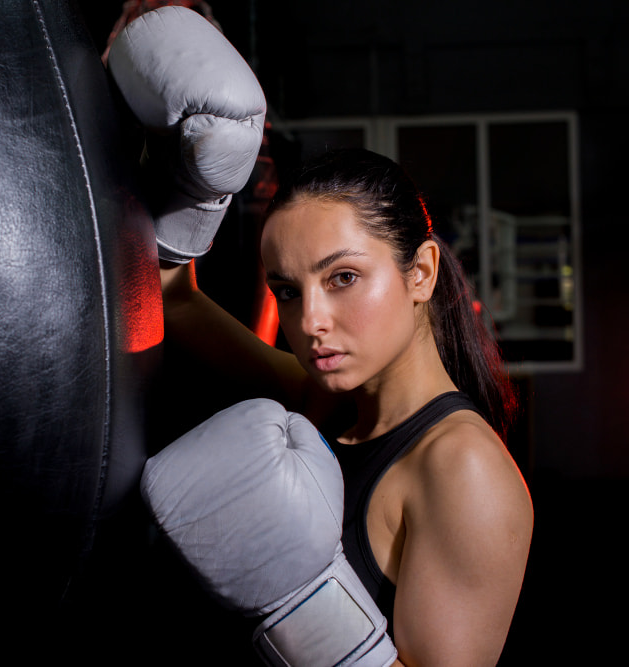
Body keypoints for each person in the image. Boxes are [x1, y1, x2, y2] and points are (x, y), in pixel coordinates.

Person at [108, 7, 532, 666]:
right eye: (287, 289)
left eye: (343, 277)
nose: (309, 321)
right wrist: (197, 169)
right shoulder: (325, 399)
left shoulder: (464, 471)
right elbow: (175, 300)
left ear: (420, 273)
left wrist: (298, 598)